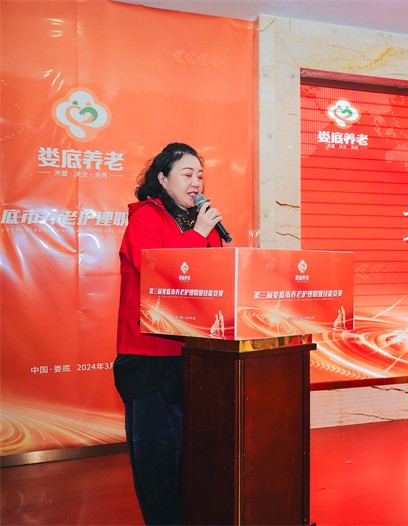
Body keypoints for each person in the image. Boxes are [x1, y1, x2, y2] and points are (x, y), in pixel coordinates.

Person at [114, 142, 224, 525]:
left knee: (191, 461)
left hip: (193, 355)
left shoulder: (201, 224)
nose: (197, 182)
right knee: (156, 461)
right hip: (148, 356)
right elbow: (159, 273)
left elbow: (214, 282)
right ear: (162, 179)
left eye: (200, 175)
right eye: (187, 174)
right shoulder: (145, 218)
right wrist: (198, 234)